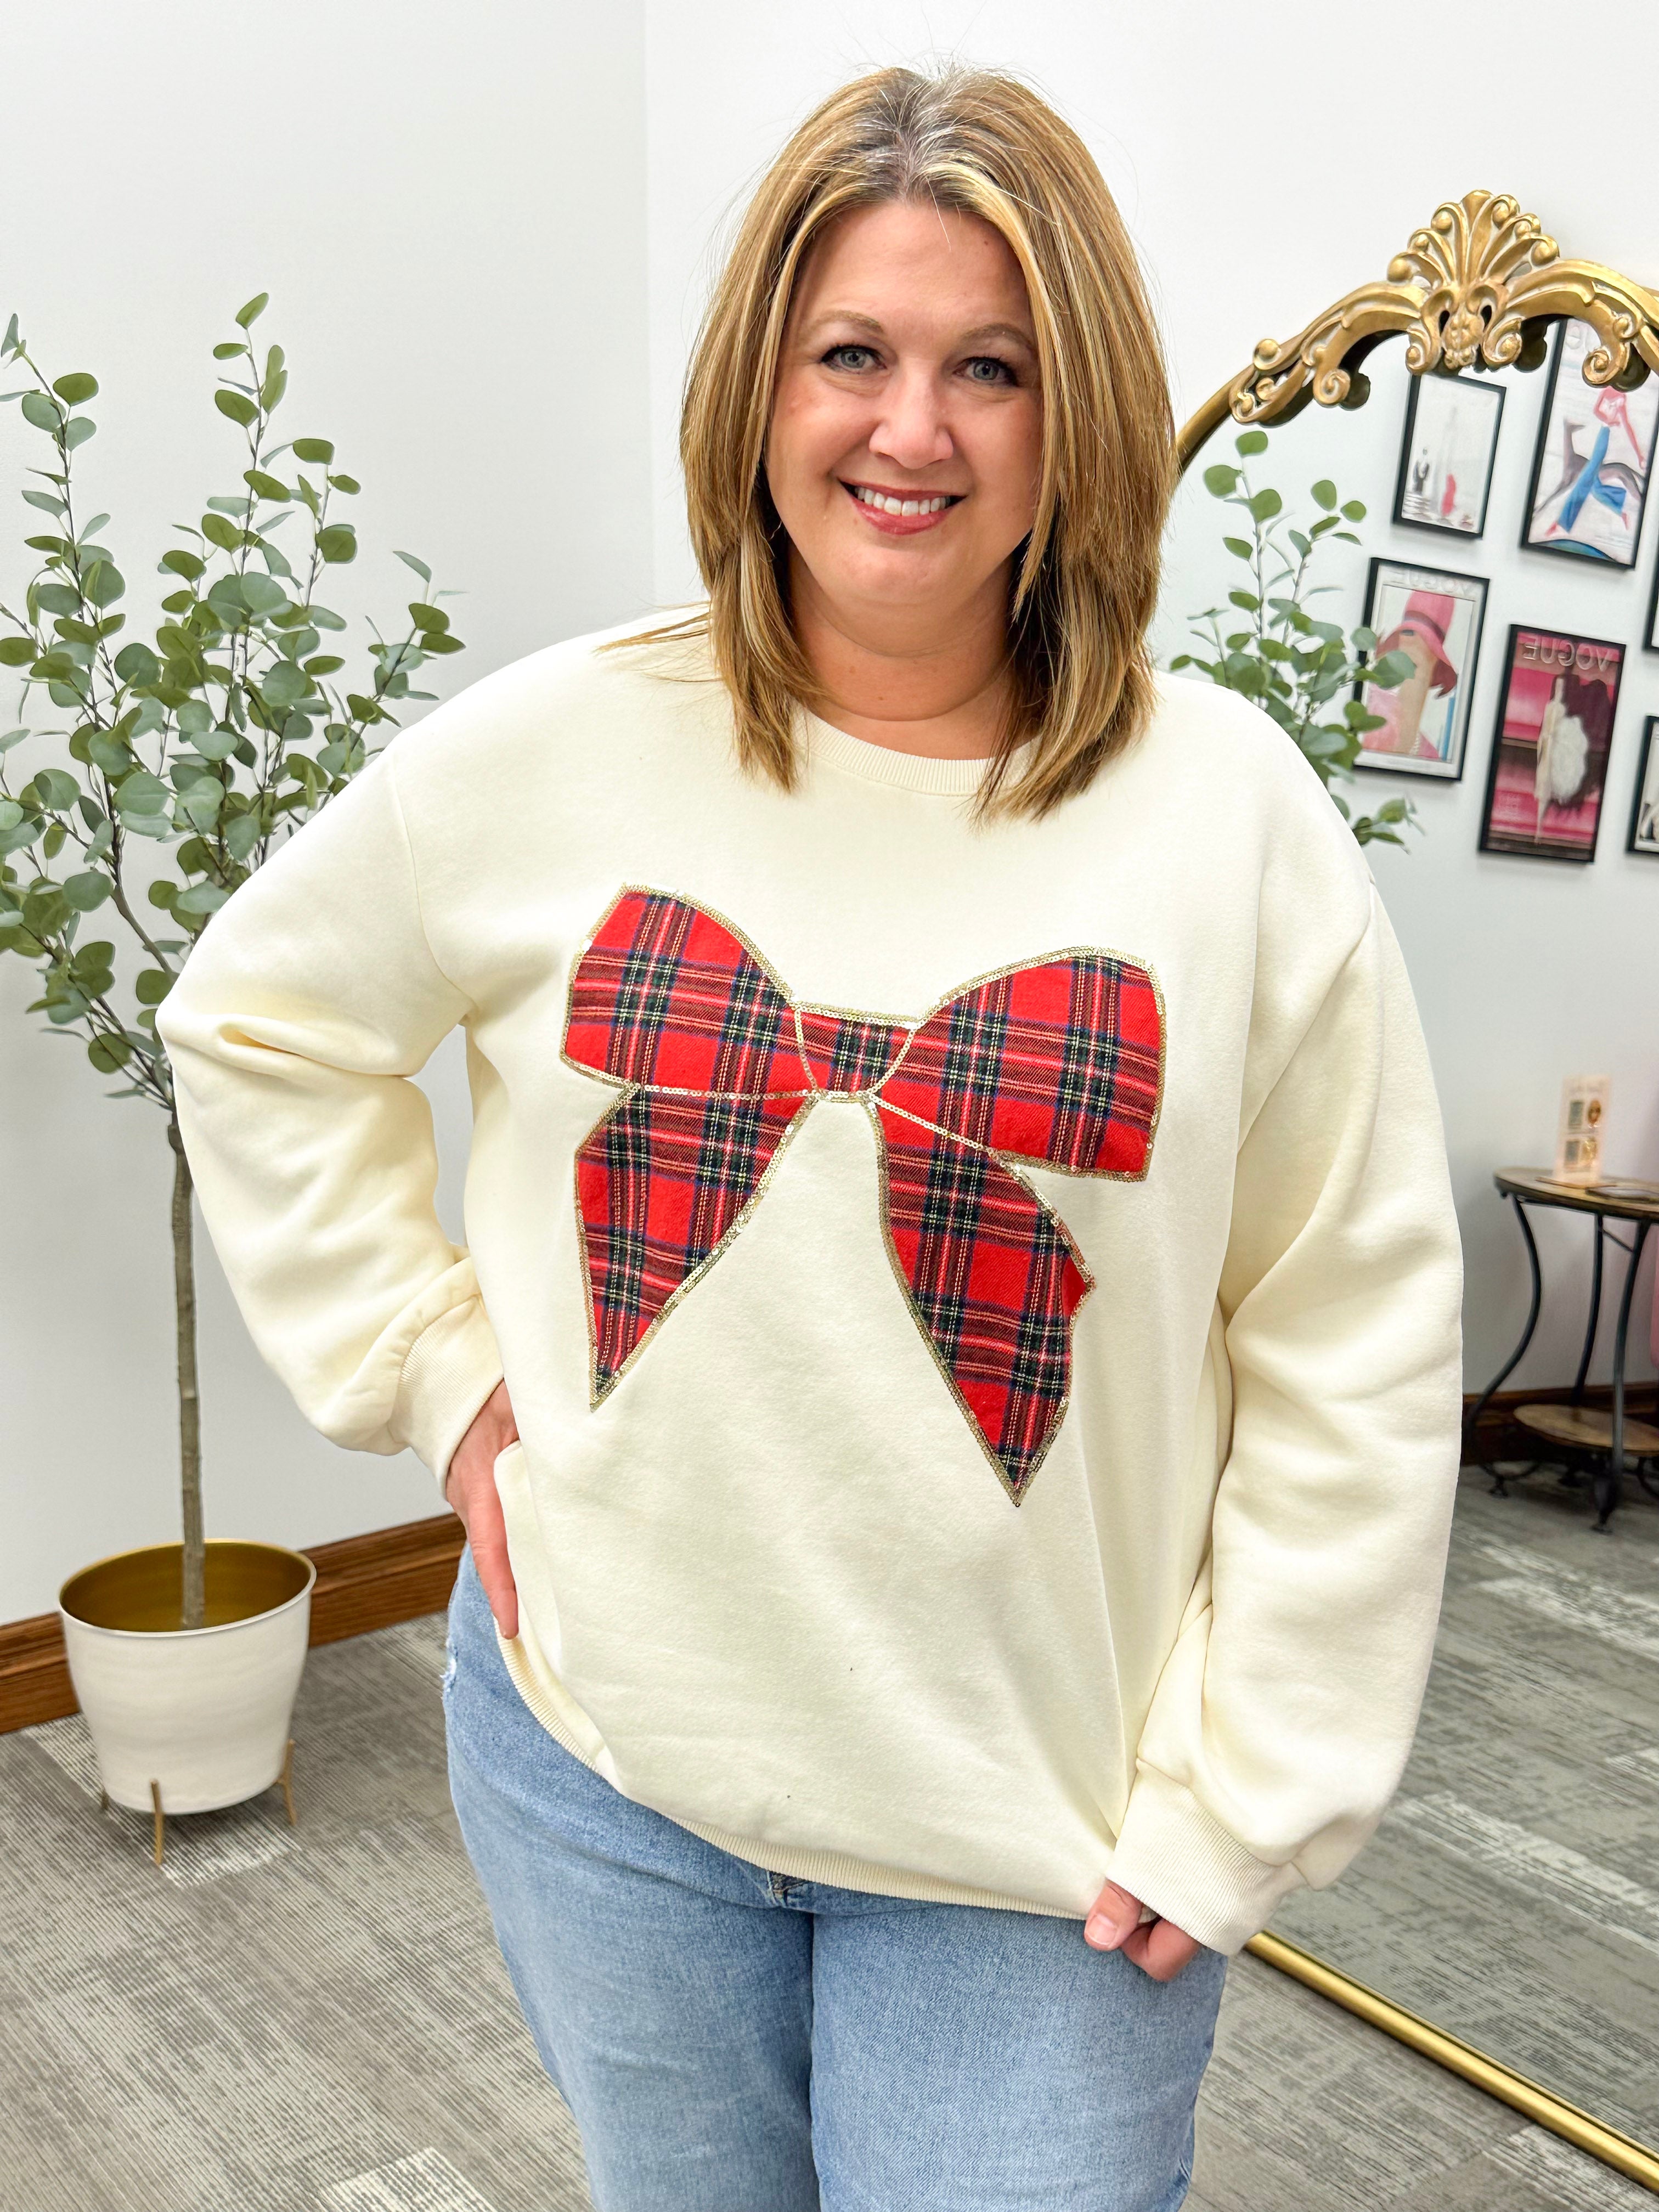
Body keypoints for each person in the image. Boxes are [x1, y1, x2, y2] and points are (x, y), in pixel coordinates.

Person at [158, 63, 1464, 2212]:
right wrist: (443, 1379)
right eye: (851, 353)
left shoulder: (1231, 821)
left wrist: (1254, 1791)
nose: (911, 430)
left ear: (1078, 410)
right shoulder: (562, 747)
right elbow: (260, 1020)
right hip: (603, 1774)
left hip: (1042, 1859)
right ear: (760, 390)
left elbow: (1356, 1333)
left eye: (990, 367)